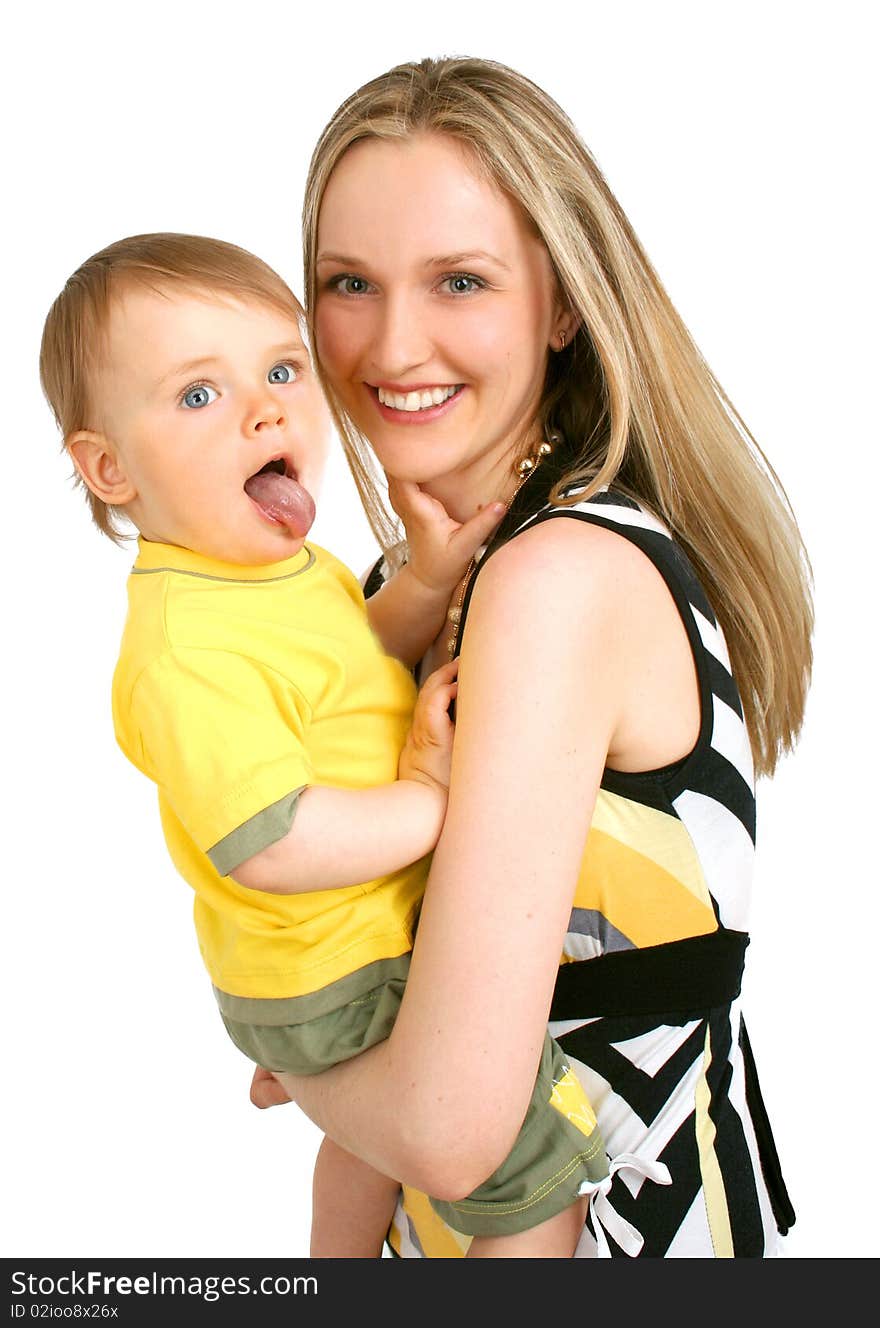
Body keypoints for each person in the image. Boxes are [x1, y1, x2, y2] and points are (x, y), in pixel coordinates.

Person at [248, 56, 814, 1258]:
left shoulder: (551, 582)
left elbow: (449, 1127)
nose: (393, 344)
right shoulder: (409, 588)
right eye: (349, 282)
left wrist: (287, 1057)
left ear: (560, 304)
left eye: (460, 280)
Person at [38, 231, 611, 1259]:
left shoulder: (269, 572)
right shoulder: (186, 648)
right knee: (532, 1180)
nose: (265, 407)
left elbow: (348, 669)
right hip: (337, 971)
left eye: (279, 368)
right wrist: (438, 800)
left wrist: (426, 583)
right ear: (108, 467)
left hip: (331, 963)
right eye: (198, 396)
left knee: (365, 1143)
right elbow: (273, 841)